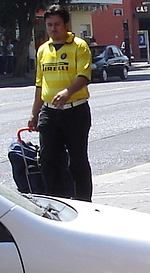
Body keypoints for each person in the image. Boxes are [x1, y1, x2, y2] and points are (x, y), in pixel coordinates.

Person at [28, 4, 93, 201]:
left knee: (77, 161)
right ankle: (56, 202)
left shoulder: (79, 46)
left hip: (75, 111)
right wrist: (34, 112)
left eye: (57, 24)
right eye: (49, 25)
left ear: (66, 24)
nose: (53, 29)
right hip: (49, 113)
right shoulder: (43, 50)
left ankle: (84, 201)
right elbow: (40, 84)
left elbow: (84, 75)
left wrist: (67, 92)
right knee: (48, 160)